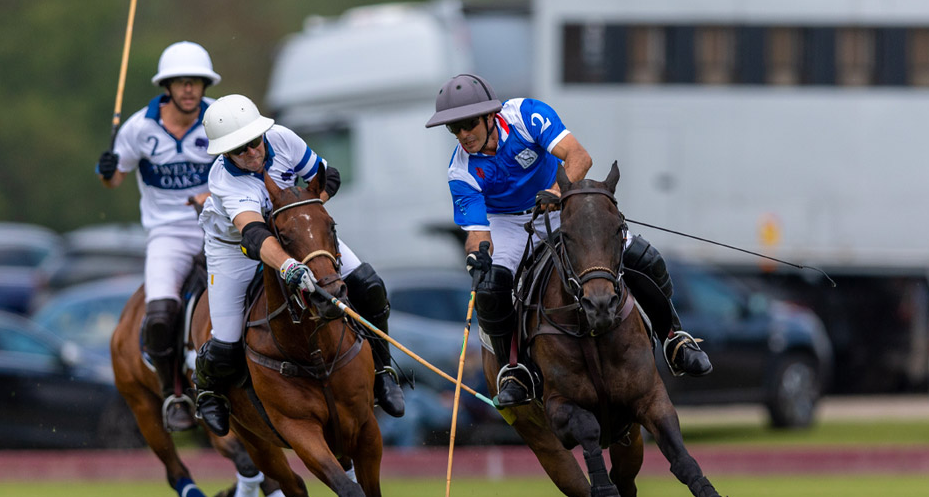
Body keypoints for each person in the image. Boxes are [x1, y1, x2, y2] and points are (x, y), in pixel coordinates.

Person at [425, 74, 712, 407]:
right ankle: (514, 371)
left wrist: (557, 193)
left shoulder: (525, 115)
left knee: (644, 259)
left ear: (491, 115)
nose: (462, 135)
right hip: (506, 223)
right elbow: (478, 233)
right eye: (453, 128)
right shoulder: (460, 170)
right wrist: (478, 256)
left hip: (561, 203)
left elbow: (579, 157)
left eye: (468, 124)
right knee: (490, 289)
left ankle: (674, 339)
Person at [193, 93, 405, 436]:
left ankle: (382, 372)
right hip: (234, 249)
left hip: (296, 235)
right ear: (225, 153)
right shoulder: (224, 180)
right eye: (239, 149)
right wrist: (290, 268)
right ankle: (207, 392)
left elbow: (328, 178)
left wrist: (306, 215)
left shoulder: (283, 139)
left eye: (254, 143)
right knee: (225, 343)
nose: (251, 153)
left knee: (369, 285)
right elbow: (255, 236)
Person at [96, 41, 222, 432]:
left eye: (196, 83)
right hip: (168, 234)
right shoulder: (139, 128)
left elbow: (244, 168)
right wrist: (106, 169)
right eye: (181, 83)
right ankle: (174, 395)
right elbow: (114, 181)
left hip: (219, 226)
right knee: (159, 314)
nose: (189, 90)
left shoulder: (219, 119)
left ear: (205, 85)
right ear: (167, 86)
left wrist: (213, 194)